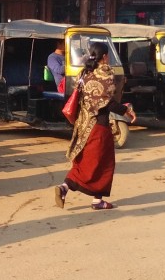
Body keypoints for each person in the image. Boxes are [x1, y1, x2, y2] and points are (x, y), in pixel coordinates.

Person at [54, 41, 135, 210]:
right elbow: (107, 103)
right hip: (99, 126)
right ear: (104, 57)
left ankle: (64, 187)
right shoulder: (105, 74)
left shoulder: (84, 73)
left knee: (83, 162)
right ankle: (97, 200)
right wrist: (125, 110)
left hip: (83, 125)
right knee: (104, 164)